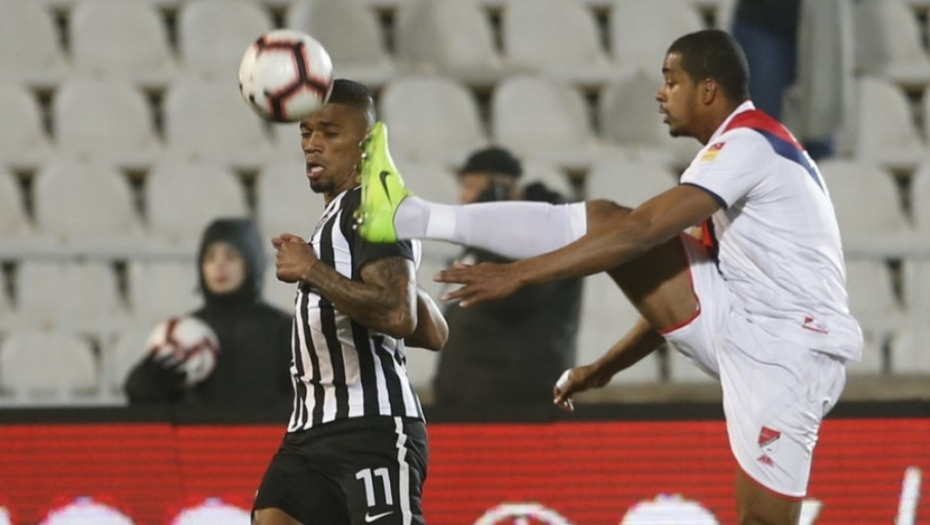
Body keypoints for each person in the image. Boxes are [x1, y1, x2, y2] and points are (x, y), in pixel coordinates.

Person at [356, 30, 861, 524]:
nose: (660, 93)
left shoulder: (746, 147)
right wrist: (603, 368)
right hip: (746, 323)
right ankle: (408, 214)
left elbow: (642, 232)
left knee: (762, 521)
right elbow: (667, 274)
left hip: (790, 354)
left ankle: (410, 215)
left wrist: (518, 275)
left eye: (672, 81)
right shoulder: (742, 149)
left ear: (708, 90)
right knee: (605, 218)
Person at [252, 79, 448, 525]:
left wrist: (312, 270)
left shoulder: (373, 207)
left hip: (370, 429)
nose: (312, 145)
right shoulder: (339, 216)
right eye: (306, 133)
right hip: (308, 433)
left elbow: (398, 313)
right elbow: (433, 331)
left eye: (329, 132)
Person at [434, 147, 582, 408]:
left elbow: (513, 299)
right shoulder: (489, 239)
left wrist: (488, 220)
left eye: (472, 187)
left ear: (503, 189)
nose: (463, 196)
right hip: (470, 395)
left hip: (518, 399)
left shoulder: (549, 232)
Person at [124, 218, 293, 414]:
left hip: (265, 433)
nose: (219, 265)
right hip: (196, 434)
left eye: (231, 257)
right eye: (210, 258)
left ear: (251, 262)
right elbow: (145, 404)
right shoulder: (182, 332)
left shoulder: (285, 329)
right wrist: (144, 386)